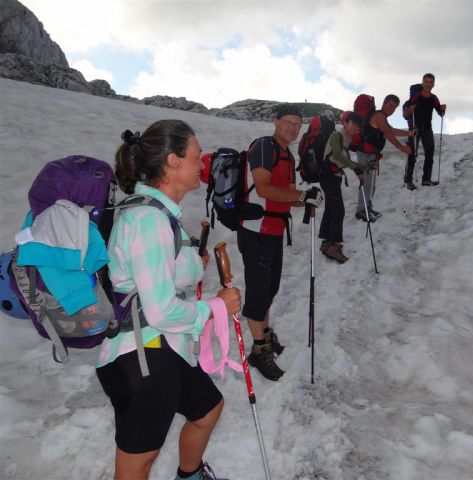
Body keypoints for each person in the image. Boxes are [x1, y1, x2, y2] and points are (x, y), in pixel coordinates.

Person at [96, 119, 242, 480]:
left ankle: (190, 475)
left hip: (162, 348)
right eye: (196, 155)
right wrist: (216, 307)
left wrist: (193, 263)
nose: (202, 163)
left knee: (207, 409)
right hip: (142, 357)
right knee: (137, 464)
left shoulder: (156, 215)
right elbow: (160, 309)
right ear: (173, 162)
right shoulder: (148, 219)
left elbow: (158, 274)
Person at [238, 104, 324, 381]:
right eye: (288, 122)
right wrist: (300, 194)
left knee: (269, 287)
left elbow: (284, 195)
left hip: (273, 230)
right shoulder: (265, 146)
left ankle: (264, 334)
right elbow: (263, 188)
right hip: (256, 229)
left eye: (297, 124)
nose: (293, 128)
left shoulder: (286, 154)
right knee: (258, 291)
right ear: (275, 122)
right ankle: (259, 349)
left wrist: (305, 198)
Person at [355, 94, 414, 222]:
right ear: (384, 103)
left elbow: (391, 130)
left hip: (371, 154)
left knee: (370, 184)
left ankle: (367, 207)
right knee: (367, 183)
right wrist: (402, 148)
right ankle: (362, 210)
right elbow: (387, 134)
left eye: (395, 107)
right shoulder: (379, 116)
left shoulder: (381, 117)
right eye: (391, 105)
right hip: (366, 153)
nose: (392, 109)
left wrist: (409, 133)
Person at [319, 112, 367, 263]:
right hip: (328, 176)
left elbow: (343, 159)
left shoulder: (346, 138)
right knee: (338, 210)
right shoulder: (336, 135)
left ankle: (326, 243)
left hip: (333, 176)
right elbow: (338, 156)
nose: (355, 127)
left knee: (331, 208)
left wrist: (362, 167)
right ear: (345, 123)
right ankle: (334, 246)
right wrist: (356, 168)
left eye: (357, 126)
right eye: (353, 123)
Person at [403, 73, 446, 188]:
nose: (428, 84)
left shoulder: (434, 98)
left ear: (433, 84)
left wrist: (442, 109)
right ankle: (408, 181)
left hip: (427, 128)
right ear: (422, 82)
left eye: (430, 82)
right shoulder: (415, 97)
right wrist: (410, 110)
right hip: (415, 128)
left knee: (429, 152)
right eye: (426, 81)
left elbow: (440, 113)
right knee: (412, 153)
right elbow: (405, 115)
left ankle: (426, 179)